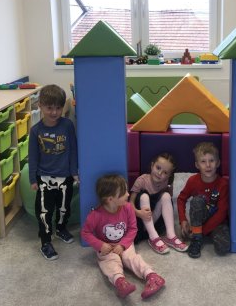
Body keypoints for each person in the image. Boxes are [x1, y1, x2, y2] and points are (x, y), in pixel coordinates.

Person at [81, 174, 165, 300]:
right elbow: (85, 233)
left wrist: (122, 245)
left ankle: (152, 276)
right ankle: (120, 282)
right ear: (110, 199)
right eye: (124, 192)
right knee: (110, 261)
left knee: (131, 258)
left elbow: (133, 229)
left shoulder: (128, 208)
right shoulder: (95, 215)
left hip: (125, 242)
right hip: (106, 246)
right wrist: (100, 245)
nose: (128, 194)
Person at [28, 84, 78, 261]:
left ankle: (61, 229)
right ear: (40, 106)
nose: (54, 112)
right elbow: (33, 156)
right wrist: (33, 178)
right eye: (49, 108)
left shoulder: (67, 125)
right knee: (44, 212)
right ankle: (45, 241)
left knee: (64, 208)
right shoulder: (36, 131)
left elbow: (73, 150)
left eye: (58, 107)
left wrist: (74, 172)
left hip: (65, 177)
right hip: (44, 177)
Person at [177, 142, 230, 259]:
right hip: (199, 220)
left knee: (223, 247)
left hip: (217, 223)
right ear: (197, 165)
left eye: (211, 160)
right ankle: (196, 239)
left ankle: (200, 234)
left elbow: (222, 213)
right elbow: (181, 199)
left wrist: (203, 231)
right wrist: (183, 220)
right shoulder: (193, 181)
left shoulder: (223, 184)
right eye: (203, 161)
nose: (208, 165)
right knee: (197, 201)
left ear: (218, 163)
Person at [130, 153, 188, 254]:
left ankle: (170, 236)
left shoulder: (166, 182)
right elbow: (130, 203)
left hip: (155, 222)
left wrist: (169, 187)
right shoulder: (142, 180)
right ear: (152, 165)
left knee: (166, 196)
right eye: (158, 168)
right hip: (140, 222)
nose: (160, 173)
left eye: (165, 172)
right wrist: (138, 213)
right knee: (144, 196)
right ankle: (153, 237)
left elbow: (167, 202)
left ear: (169, 175)